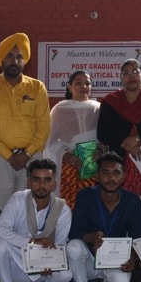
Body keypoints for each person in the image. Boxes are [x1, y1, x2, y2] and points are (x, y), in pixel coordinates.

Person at [0, 158, 74, 282]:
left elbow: (60, 245)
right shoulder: (18, 199)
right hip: (17, 263)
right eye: (36, 180)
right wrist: (31, 242)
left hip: (44, 269)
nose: (41, 185)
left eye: (47, 180)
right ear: (29, 182)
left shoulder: (63, 210)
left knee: (66, 274)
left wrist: (49, 262)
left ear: (54, 184)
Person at [66, 153, 141, 282]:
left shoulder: (132, 201)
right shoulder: (85, 196)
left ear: (123, 177)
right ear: (97, 176)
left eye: (116, 173)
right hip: (89, 258)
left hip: (114, 259)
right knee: (73, 246)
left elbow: (138, 237)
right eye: (105, 172)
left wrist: (133, 257)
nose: (111, 178)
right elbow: (75, 232)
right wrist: (93, 237)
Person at [0, 32, 50, 208]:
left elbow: (43, 127)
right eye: (10, 56)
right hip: (0, 157)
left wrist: (26, 154)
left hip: (32, 157)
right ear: (2, 60)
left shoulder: (37, 87)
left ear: (24, 61)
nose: (15, 61)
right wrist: (9, 156)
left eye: (19, 57)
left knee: (31, 208)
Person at [96, 58, 141, 196]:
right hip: (118, 161)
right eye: (126, 73)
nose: (131, 76)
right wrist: (126, 145)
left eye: (135, 71)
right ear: (121, 78)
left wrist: (138, 138)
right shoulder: (111, 101)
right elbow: (103, 133)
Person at [45, 69, 101, 207]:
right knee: (69, 206)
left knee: (92, 205)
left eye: (87, 83)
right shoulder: (59, 109)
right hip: (69, 167)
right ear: (70, 87)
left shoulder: (99, 109)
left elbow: (106, 138)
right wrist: (66, 155)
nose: (84, 86)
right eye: (78, 83)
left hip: (93, 165)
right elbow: (50, 142)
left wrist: (100, 150)